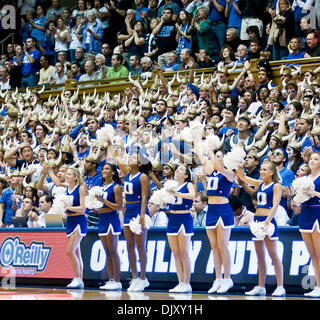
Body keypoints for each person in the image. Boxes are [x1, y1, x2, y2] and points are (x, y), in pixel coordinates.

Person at [236, 160, 286, 297]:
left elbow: (275, 205)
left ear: (272, 172)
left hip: (268, 222)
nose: (262, 172)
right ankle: (261, 286)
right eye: (261, 169)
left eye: (264, 170)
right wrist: (237, 163)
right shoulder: (260, 184)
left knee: (273, 255)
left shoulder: (276, 186)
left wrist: (267, 223)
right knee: (260, 256)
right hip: (257, 221)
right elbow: (243, 177)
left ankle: (280, 286)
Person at [194, 134, 235, 294]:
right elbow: (200, 155)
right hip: (211, 210)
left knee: (223, 246)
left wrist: (212, 153)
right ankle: (218, 278)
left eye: (220, 157)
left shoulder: (229, 173)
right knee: (214, 246)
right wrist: (197, 138)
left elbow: (218, 166)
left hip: (223, 211)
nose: (216, 159)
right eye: (216, 157)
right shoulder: (212, 173)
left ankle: (228, 278)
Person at [109, 141, 151, 292]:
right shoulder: (127, 174)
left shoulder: (143, 177)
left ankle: (143, 277)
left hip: (139, 212)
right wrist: (109, 142)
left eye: (134, 157)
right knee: (129, 246)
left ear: (140, 163)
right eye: (131, 156)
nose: (131, 158)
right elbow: (117, 158)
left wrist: (141, 216)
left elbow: (145, 197)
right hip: (128, 212)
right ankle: (134, 277)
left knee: (141, 246)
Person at [166, 164, 196, 293]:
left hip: (184, 219)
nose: (178, 170)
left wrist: (177, 193)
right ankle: (180, 282)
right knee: (176, 254)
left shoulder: (188, 185)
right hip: (172, 219)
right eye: (177, 168)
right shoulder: (169, 185)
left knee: (184, 253)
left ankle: (187, 283)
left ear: (186, 175)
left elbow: (193, 195)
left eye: (181, 169)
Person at [95, 163, 123, 291]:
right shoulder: (101, 187)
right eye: (103, 169)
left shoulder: (116, 187)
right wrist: (94, 206)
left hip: (112, 219)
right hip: (102, 219)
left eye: (107, 169)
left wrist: (103, 201)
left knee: (113, 251)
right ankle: (110, 279)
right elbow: (101, 207)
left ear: (113, 172)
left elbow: (119, 207)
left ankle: (117, 281)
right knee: (107, 252)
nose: (104, 171)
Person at [298, 152, 320, 297]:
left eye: (316, 159)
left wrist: (313, 192)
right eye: (311, 158)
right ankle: (318, 287)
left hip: (318, 214)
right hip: (305, 214)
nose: (312, 161)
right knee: (312, 255)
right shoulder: (304, 178)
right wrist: (298, 197)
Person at [64, 167, 88, 289]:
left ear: (75, 177)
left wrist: (68, 207)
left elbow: (84, 208)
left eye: (69, 174)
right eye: (66, 174)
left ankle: (77, 278)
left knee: (70, 251)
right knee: (77, 253)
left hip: (79, 221)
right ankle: (80, 280)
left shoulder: (81, 188)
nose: (66, 175)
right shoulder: (67, 189)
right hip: (70, 221)